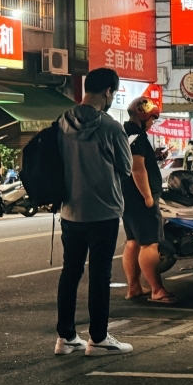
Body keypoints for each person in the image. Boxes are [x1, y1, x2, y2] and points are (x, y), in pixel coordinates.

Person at [54, 68, 134, 356]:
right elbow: (125, 168)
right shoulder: (111, 127)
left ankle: (65, 337)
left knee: (70, 272)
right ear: (108, 92)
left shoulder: (61, 122)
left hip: (70, 211)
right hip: (104, 211)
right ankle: (98, 338)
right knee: (99, 275)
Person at [121, 97, 176, 304]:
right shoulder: (136, 136)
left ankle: (134, 287)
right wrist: (147, 196)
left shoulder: (125, 133)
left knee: (133, 242)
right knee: (149, 244)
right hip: (139, 198)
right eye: (152, 118)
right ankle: (157, 289)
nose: (153, 122)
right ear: (142, 115)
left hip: (126, 197)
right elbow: (137, 168)